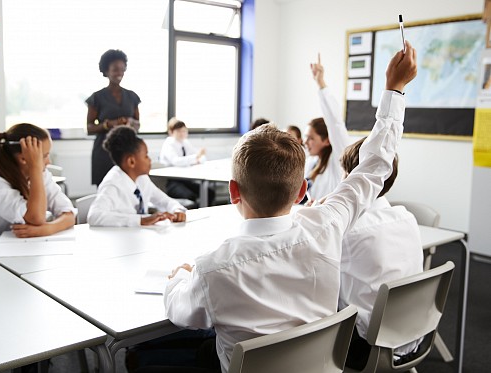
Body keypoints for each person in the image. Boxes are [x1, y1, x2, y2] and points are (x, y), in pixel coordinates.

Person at [162, 41, 417, 373]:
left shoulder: (212, 270)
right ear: (301, 191)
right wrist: (394, 89)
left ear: (233, 192)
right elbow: (375, 167)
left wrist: (177, 279)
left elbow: (179, 311)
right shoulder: (327, 225)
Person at [337, 137, 424, 370]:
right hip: (414, 336)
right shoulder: (407, 217)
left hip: (367, 347)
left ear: (352, 179)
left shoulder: (348, 230)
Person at [0, 123, 76, 238]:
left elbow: (69, 214)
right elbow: (36, 218)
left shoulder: (41, 175)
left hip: (20, 244)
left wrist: (48, 229)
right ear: (24, 158)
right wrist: (35, 168)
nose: (49, 162)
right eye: (44, 156)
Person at [87, 126, 187, 227]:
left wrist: (177, 210)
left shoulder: (142, 178)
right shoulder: (112, 185)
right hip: (121, 238)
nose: (150, 160)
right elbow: (94, 216)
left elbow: (164, 201)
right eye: (146, 156)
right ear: (131, 162)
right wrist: (141, 220)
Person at [86, 49, 141, 186]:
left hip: (128, 149)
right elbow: (89, 128)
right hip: (104, 152)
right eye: (115, 69)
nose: (120, 73)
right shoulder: (97, 97)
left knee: (129, 188)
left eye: (122, 69)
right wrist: (108, 124)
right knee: (106, 189)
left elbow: (138, 124)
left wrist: (130, 123)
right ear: (106, 71)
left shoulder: (132, 96)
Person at [303, 53, 353, 204]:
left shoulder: (338, 158)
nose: (305, 142)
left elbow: (335, 123)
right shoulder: (311, 161)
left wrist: (321, 83)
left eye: (311, 138)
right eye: (306, 137)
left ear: (327, 140)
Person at [159, 117, 215, 205]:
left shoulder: (185, 142)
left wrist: (197, 158)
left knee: (210, 193)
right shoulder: (168, 144)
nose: (182, 133)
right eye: (179, 131)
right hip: (173, 181)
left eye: (184, 131)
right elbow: (176, 161)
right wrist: (196, 157)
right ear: (171, 132)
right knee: (190, 196)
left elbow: (201, 158)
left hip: (187, 180)